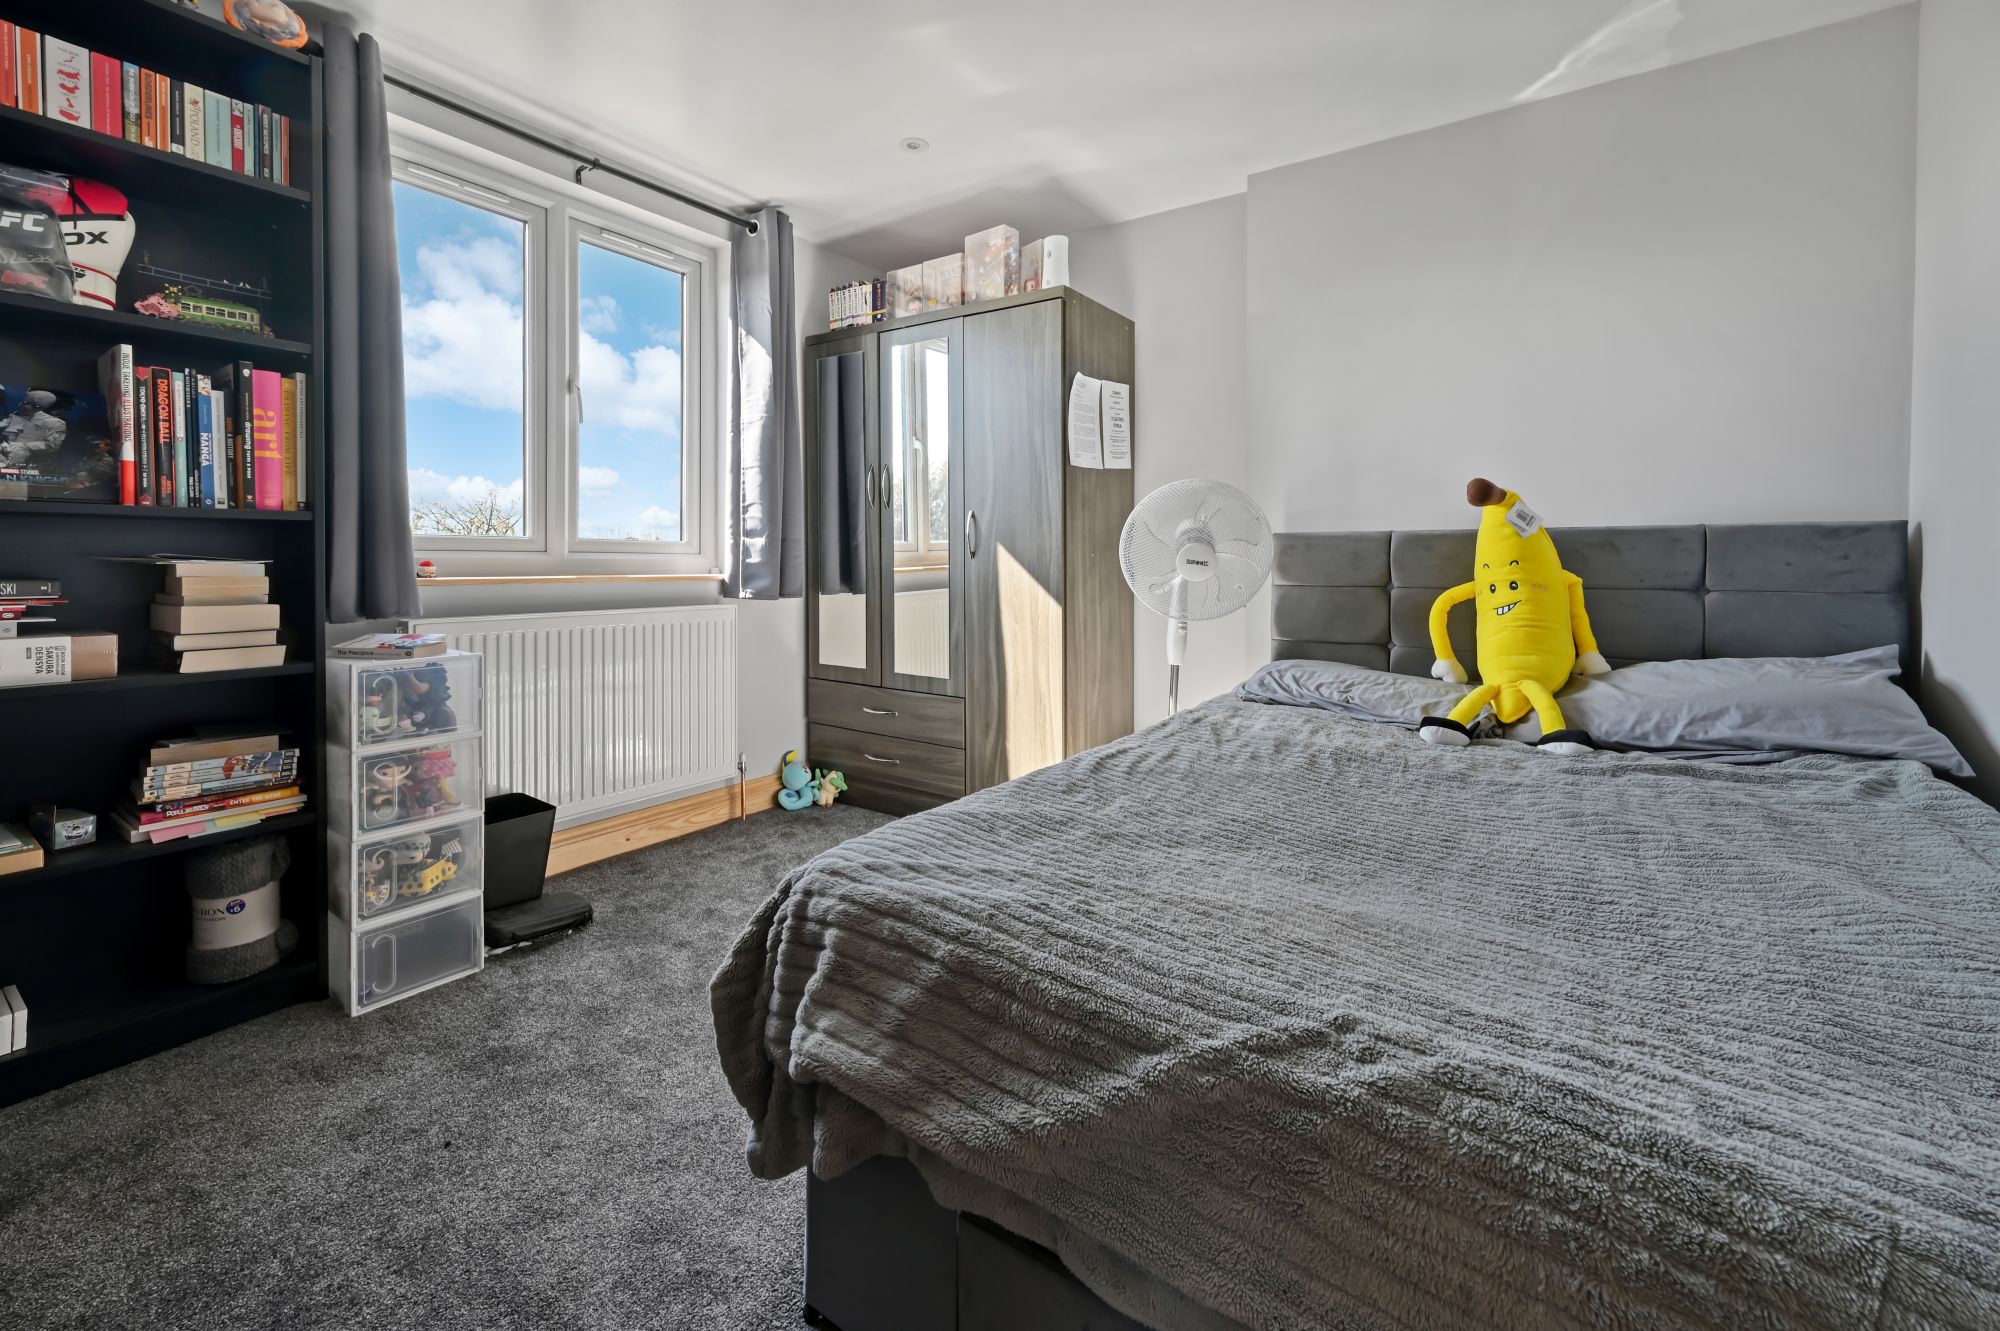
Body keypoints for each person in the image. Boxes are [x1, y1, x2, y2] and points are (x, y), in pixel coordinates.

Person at [0, 389, 67, 469]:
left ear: (37, 407)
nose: (19, 404)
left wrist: (22, 446)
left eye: (25, 403)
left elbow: (51, 445)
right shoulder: (14, 417)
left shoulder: (55, 423)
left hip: (33, 464)